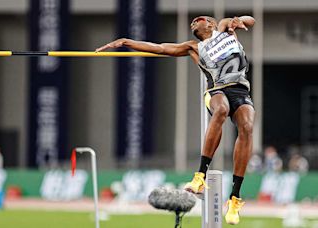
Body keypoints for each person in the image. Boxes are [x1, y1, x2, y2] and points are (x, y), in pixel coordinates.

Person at [96, 15, 255, 225]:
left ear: (211, 23)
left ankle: (234, 198)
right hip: (216, 90)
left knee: (247, 127)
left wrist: (240, 20)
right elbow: (160, 48)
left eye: (199, 19)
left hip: (240, 90)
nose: (194, 21)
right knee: (221, 110)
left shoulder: (226, 27)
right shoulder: (193, 47)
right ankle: (199, 176)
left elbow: (251, 20)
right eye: (192, 22)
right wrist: (126, 42)